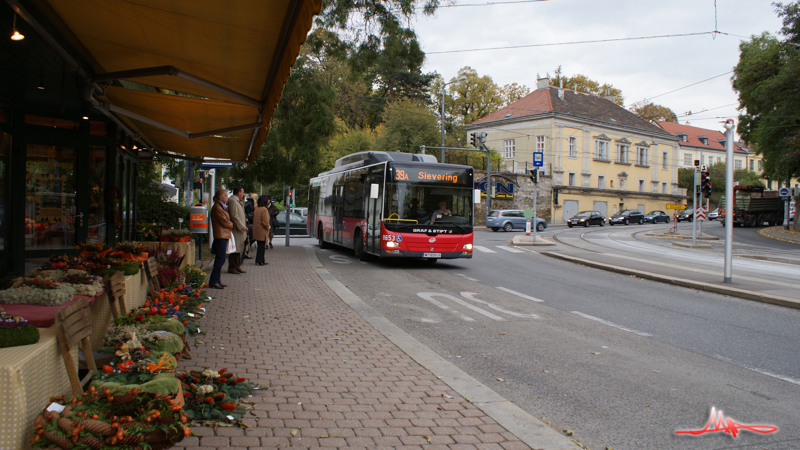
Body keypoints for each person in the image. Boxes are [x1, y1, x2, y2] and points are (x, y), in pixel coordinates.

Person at [209, 188, 234, 289]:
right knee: (220, 258)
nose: (227, 198)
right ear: (220, 197)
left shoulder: (221, 206)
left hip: (223, 235)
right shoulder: (217, 208)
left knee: (221, 258)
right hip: (221, 235)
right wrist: (231, 225)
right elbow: (224, 222)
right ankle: (214, 280)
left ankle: (217, 280)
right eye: (226, 196)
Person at [226, 186, 248, 274]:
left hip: (239, 229)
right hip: (236, 229)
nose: (243, 194)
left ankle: (237, 265)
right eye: (242, 192)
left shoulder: (237, 201)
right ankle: (232, 267)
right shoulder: (232, 201)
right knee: (235, 248)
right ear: (238, 192)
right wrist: (241, 226)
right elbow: (234, 216)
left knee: (239, 248)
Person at [252, 196, 271, 265]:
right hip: (262, 231)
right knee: (261, 247)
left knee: (260, 246)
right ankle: (260, 260)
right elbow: (264, 221)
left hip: (257, 230)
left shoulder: (256, 208)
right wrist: (268, 227)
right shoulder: (264, 209)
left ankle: (260, 260)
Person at [242, 194, 256, 260]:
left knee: (250, 237)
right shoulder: (250, 203)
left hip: (249, 221)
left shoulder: (248, 203)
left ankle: (245, 252)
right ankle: (245, 252)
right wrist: (246, 217)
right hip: (249, 221)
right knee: (249, 237)